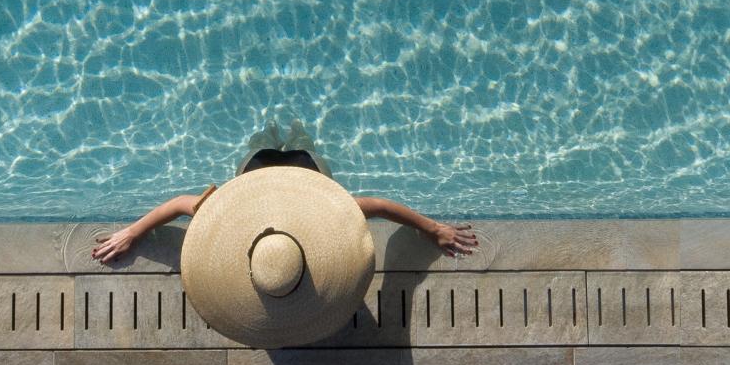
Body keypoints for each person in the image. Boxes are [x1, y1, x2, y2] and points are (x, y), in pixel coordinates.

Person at [91, 121, 478, 265]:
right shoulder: (313, 216)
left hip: (278, 169)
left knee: (275, 136)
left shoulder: (236, 218)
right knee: (288, 138)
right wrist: (132, 232)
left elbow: (377, 206)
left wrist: (432, 229)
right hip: (280, 168)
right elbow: (377, 206)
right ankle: (289, 132)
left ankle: (283, 130)